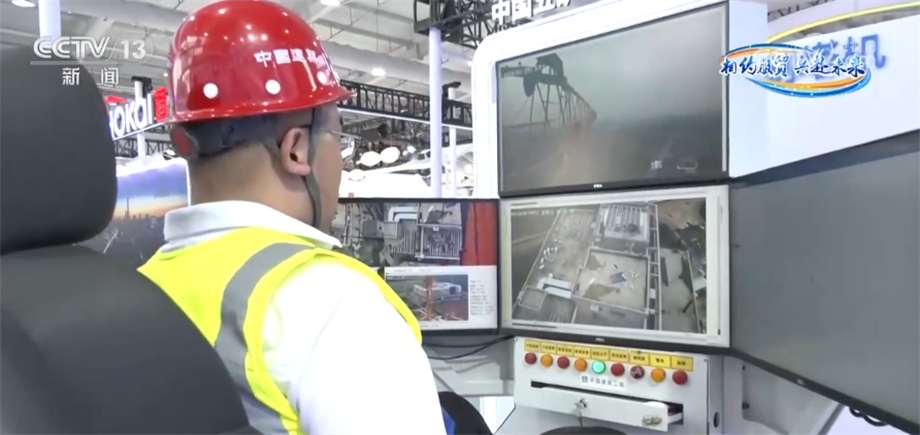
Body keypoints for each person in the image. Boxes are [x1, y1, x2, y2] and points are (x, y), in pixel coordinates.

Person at [137, 1, 447, 434]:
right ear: (296, 150)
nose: (341, 160)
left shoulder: (142, 287)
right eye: (338, 138)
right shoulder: (335, 305)